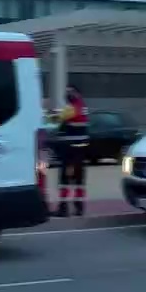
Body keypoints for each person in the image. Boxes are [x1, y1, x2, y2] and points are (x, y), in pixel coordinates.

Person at [53, 85, 90, 217]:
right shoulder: (83, 107)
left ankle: (63, 208)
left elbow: (55, 120)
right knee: (79, 179)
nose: (68, 94)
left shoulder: (71, 108)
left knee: (65, 178)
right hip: (81, 150)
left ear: (77, 93)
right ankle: (79, 207)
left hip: (70, 150)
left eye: (70, 92)